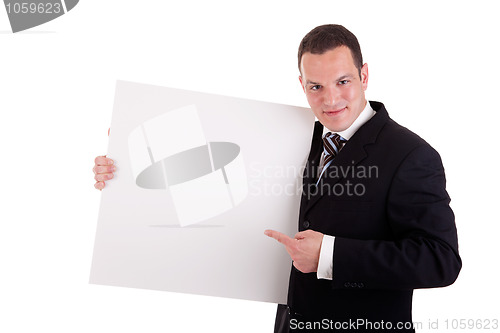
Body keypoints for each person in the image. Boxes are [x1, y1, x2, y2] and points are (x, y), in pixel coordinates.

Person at [94, 24, 461, 332]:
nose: (331, 99)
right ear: (302, 85)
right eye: (316, 86)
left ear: (364, 75)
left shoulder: (411, 155)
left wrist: (330, 254)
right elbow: (205, 160)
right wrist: (126, 160)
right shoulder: (298, 137)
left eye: (343, 81)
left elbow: (440, 260)